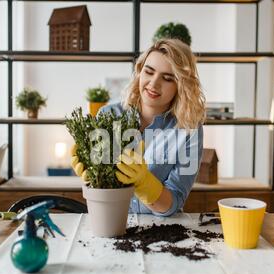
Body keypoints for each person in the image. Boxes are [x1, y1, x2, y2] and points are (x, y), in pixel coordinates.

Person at [71, 38, 206, 216]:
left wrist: (145, 184)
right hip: (110, 219)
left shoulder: (189, 130)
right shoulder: (108, 116)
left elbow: (175, 200)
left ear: (181, 85)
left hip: (160, 231)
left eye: (167, 78)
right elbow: (100, 189)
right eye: (149, 72)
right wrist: (92, 174)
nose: (154, 83)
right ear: (139, 71)